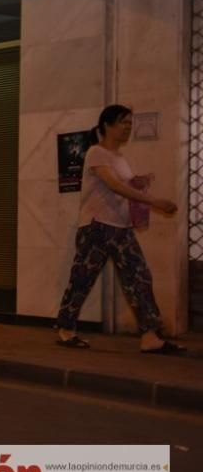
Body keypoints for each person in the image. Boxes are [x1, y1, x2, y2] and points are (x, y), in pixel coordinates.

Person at [55, 104, 184, 354]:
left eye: (130, 122)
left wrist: (138, 182)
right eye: (123, 122)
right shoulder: (96, 152)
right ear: (106, 125)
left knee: (139, 278)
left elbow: (122, 185)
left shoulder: (120, 158)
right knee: (83, 278)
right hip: (97, 227)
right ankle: (66, 330)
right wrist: (155, 201)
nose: (128, 127)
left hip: (122, 227)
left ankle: (150, 337)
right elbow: (113, 185)